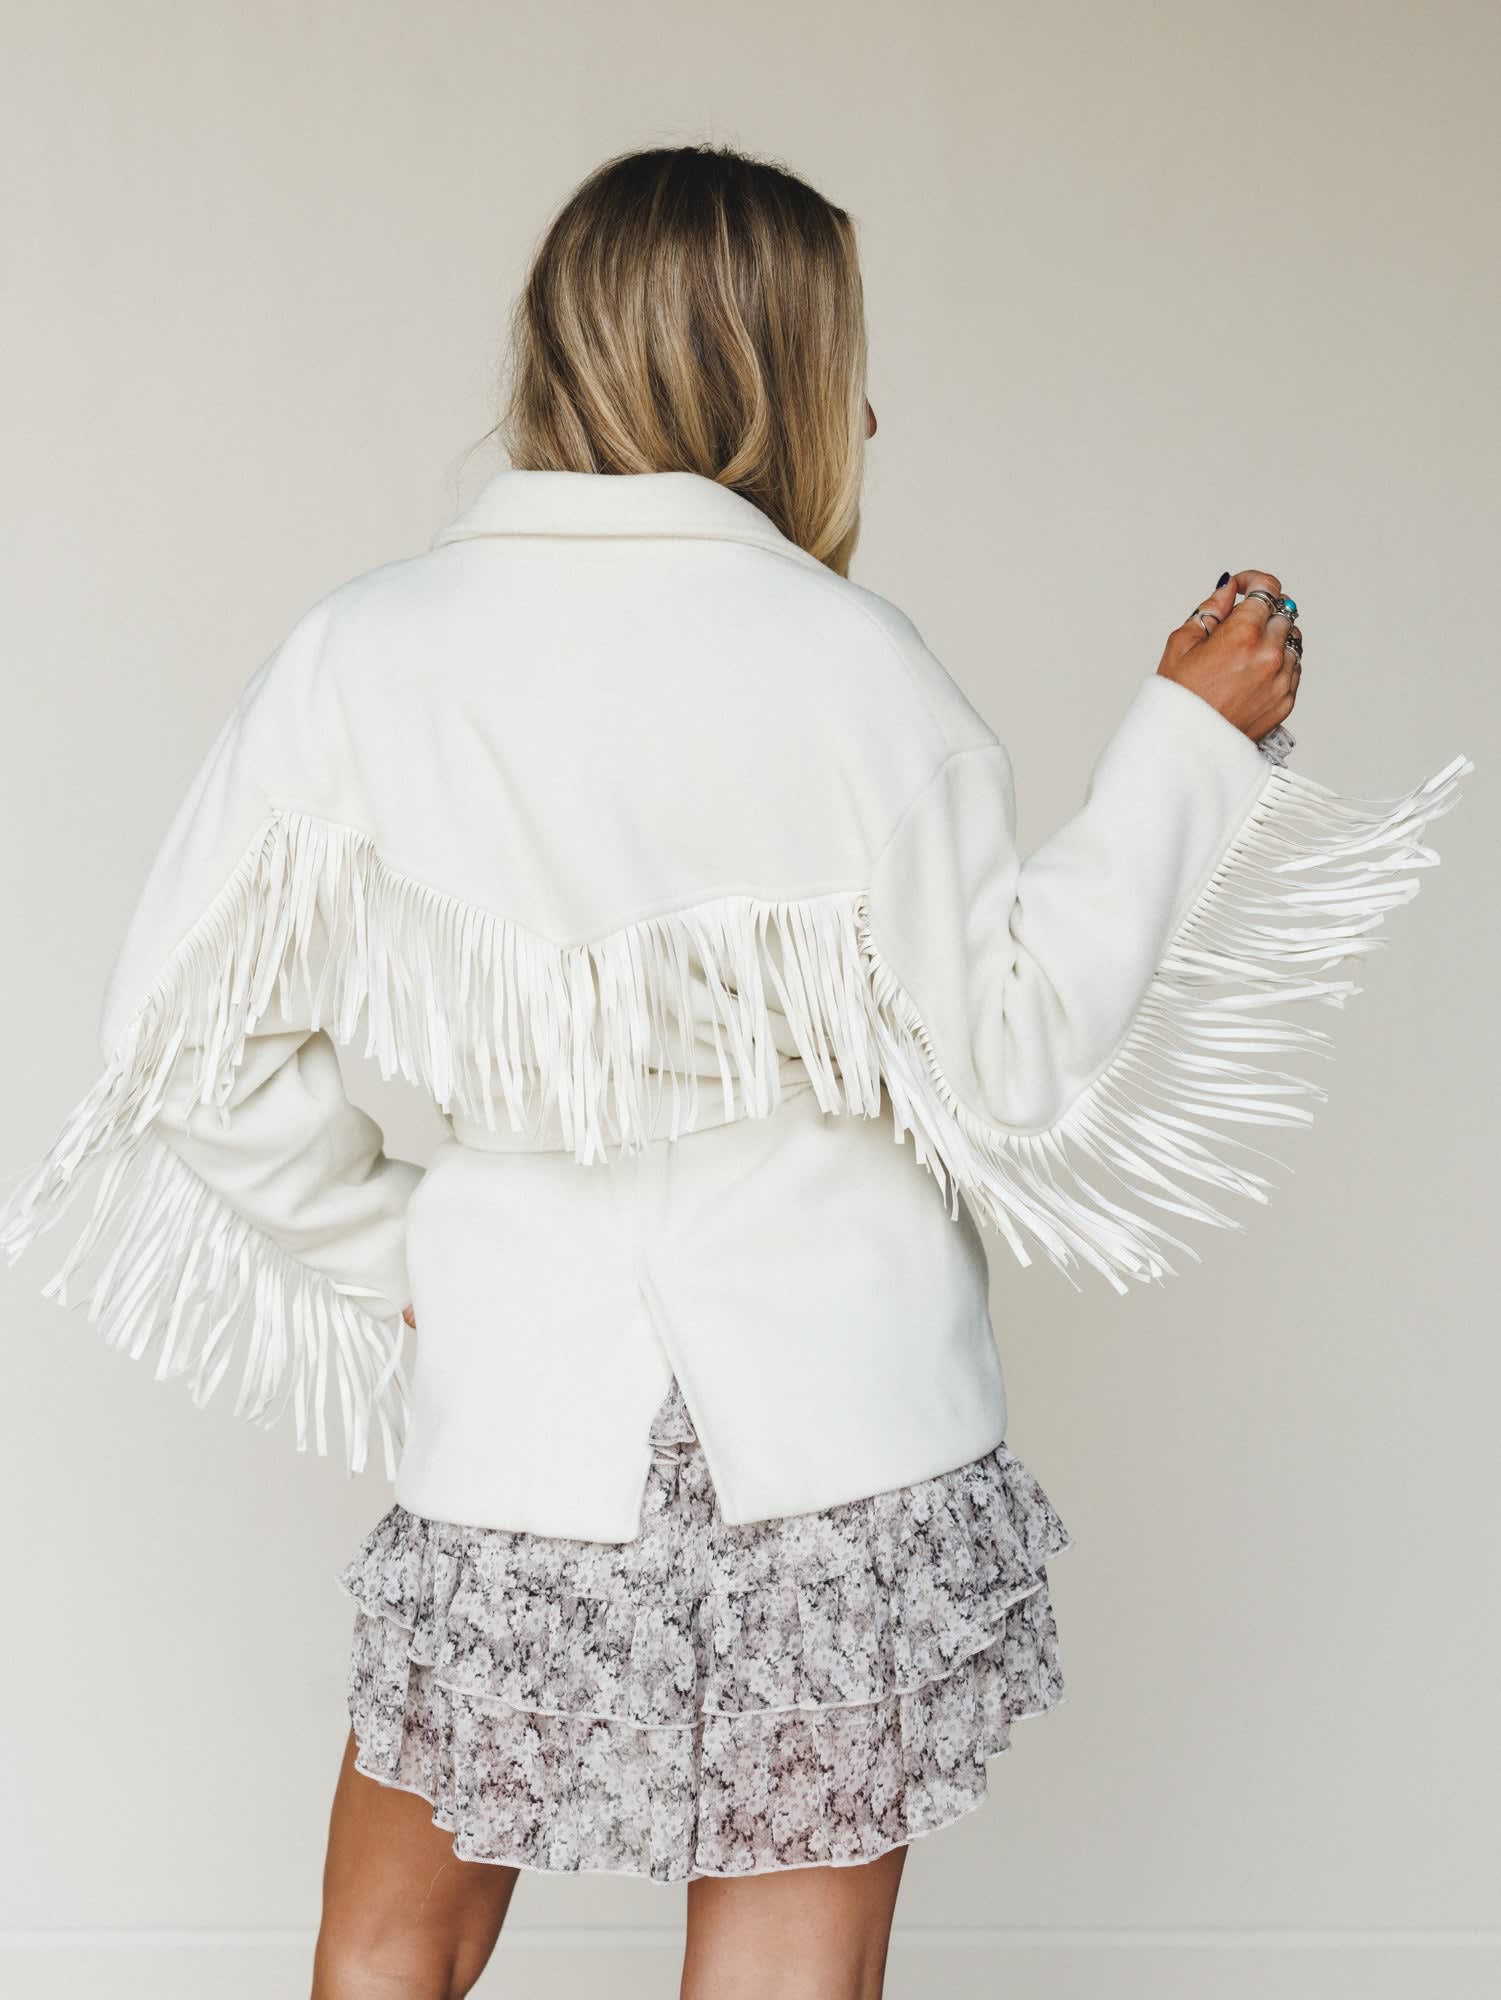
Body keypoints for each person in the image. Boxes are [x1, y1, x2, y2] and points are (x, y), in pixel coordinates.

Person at [0, 144, 1470, 2000]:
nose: (871, 411)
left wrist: (402, 1249)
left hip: (520, 1410)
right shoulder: (851, 669)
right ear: (773, 373)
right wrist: (1185, 747)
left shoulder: (357, 657)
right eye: (845, 359)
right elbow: (1012, 1057)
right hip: (829, 1421)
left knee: (384, 1953)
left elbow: (187, 1039)